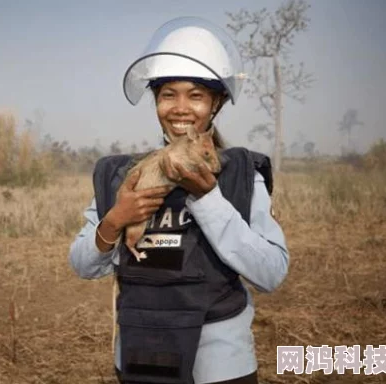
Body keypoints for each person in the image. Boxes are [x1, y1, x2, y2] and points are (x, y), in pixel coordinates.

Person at [68, 16, 289, 384]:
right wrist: (113, 222)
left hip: (219, 368)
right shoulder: (125, 176)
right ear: (155, 101)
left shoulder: (239, 175)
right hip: (141, 359)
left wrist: (208, 199)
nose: (181, 108)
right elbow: (82, 265)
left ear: (216, 103)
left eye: (196, 95)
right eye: (168, 94)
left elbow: (271, 273)